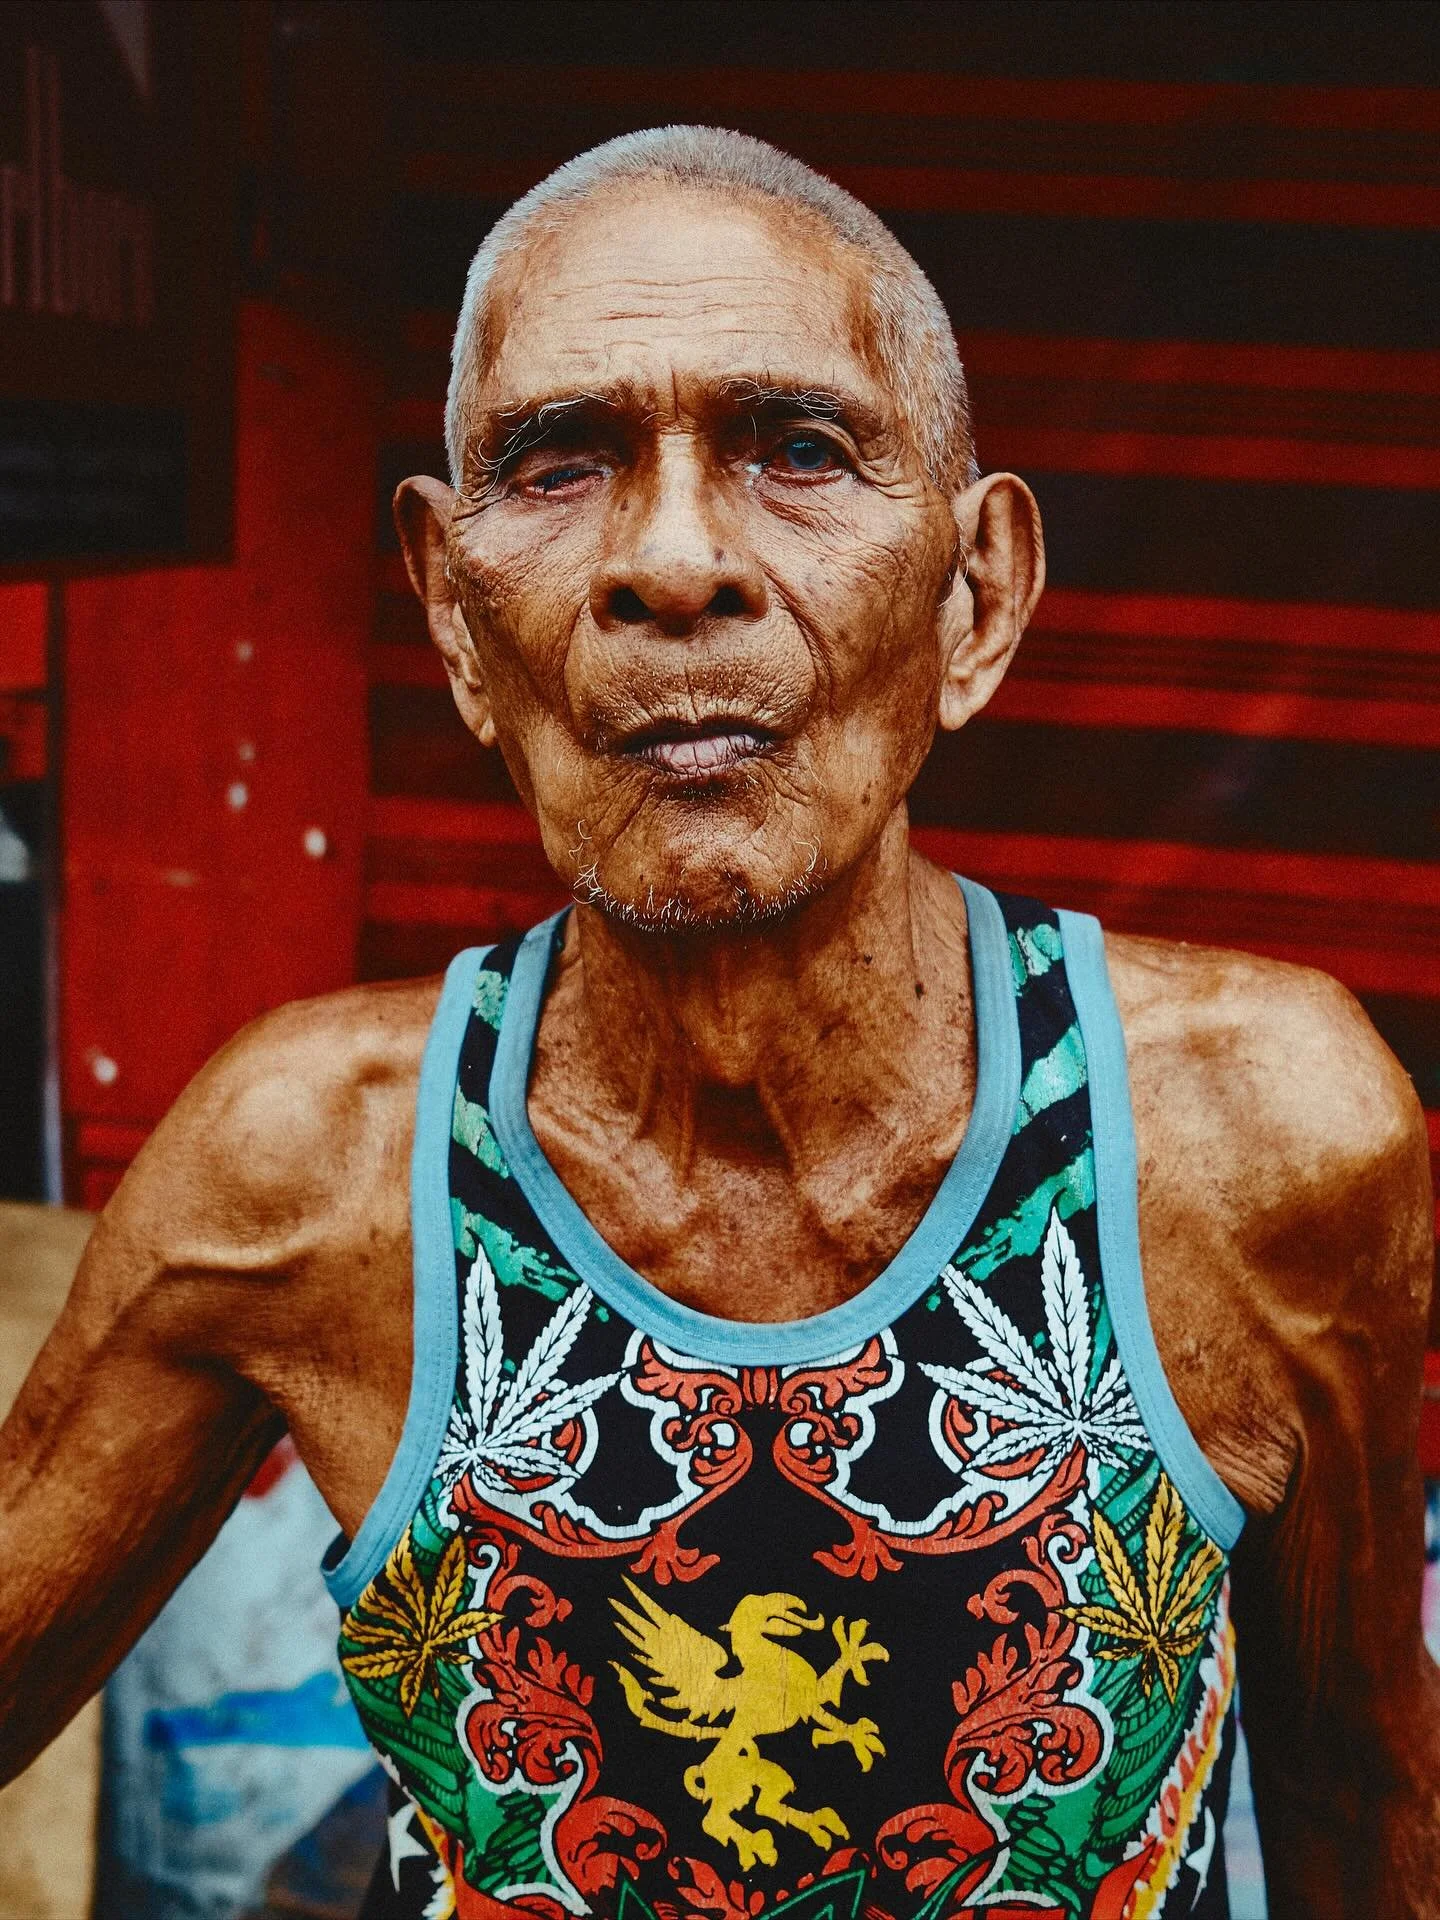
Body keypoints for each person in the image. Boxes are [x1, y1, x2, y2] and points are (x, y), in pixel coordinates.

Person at [0, 126, 1435, 1920]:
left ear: (978, 594)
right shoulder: (308, 1169)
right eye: (561, 462)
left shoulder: (1269, 1136)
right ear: (451, 612)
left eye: (799, 449)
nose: (674, 563)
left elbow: (1369, 1804)